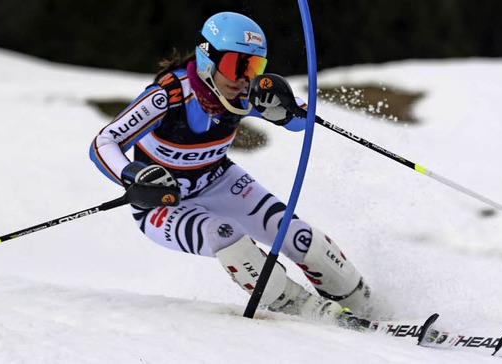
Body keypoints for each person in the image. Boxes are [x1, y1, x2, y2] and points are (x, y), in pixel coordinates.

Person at [89, 11, 371, 328]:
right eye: (236, 65)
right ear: (207, 58)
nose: (243, 78)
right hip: (164, 204)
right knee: (226, 236)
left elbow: (302, 120)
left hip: (220, 182)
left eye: (254, 67)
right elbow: (104, 142)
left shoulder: (242, 94)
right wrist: (133, 176)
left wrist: (285, 106)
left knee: (301, 238)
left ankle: (371, 309)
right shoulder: (168, 97)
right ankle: (308, 313)